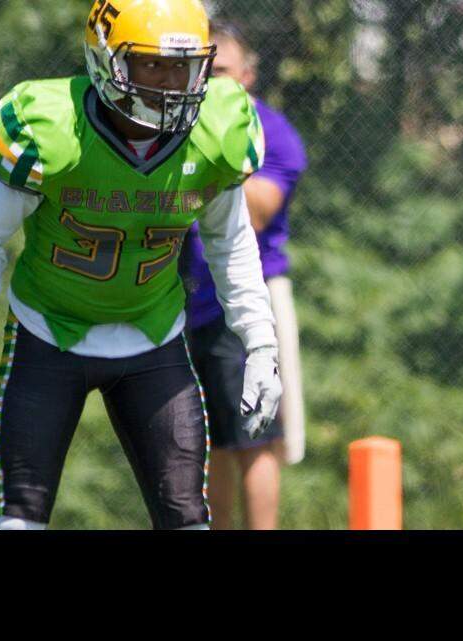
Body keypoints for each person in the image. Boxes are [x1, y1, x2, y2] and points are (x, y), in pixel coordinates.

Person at [0, 0, 282, 530]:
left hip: (154, 339)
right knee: (18, 518)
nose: (171, 83)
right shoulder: (53, 128)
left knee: (189, 519)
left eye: (184, 66)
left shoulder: (215, 130)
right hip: (47, 334)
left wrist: (261, 343)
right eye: (153, 64)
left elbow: (232, 245)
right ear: (106, 61)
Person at [178, 19, 308, 530]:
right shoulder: (173, 123)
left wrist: (212, 146)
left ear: (248, 75)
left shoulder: (273, 134)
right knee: (208, 442)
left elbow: (255, 212)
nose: (208, 82)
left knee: (254, 440)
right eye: (200, 71)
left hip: (248, 305)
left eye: (221, 71)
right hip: (186, 301)